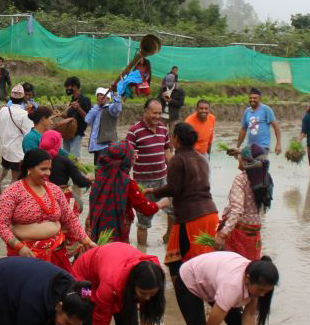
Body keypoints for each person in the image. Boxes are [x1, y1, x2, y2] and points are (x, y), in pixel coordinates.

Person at [176, 252, 280, 325]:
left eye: (266, 291)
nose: (262, 295)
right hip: (191, 279)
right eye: (260, 290)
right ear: (247, 279)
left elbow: (249, 316)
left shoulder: (256, 282)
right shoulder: (232, 287)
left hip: (215, 279)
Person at [0, 149, 95, 271]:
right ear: (29, 168)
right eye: (43, 169)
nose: (48, 173)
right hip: (26, 256)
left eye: (49, 169)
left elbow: (69, 218)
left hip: (56, 253)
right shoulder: (12, 193)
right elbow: (1, 225)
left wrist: (86, 240)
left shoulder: (55, 190)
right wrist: (19, 247)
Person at [151, 123, 219, 272]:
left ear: (176, 139)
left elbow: (173, 189)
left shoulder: (177, 159)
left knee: (182, 264)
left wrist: (153, 191)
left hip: (192, 217)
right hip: (211, 214)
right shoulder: (202, 158)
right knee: (204, 261)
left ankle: (183, 294)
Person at [86, 141, 160, 244]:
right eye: (132, 154)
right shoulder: (128, 183)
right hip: (119, 235)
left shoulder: (100, 179)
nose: (135, 156)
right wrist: (162, 204)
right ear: (126, 160)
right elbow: (145, 208)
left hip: (98, 232)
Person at [126, 98, 171, 246]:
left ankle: (168, 239)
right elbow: (127, 156)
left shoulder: (164, 129)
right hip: (143, 183)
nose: (157, 117)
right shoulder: (134, 131)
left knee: (174, 212)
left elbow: (167, 152)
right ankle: (142, 252)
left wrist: (175, 170)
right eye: (154, 113)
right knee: (144, 220)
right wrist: (132, 156)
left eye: (159, 113)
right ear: (146, 111)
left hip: (163, 180)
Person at [218, 148, 267, 260]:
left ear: (245, 161)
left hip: (240, 232)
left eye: (240, 157)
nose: (238, 158)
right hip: (255, 231)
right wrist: (240, 151)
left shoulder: (241, 180)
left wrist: (223, 234)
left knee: (234, 266)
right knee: (250, 266)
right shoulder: (264, 178)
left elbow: (237, 210)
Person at [0, 84, 32, 192]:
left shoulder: (3, 110)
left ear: (11, 98)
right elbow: (29, 134)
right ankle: (10, 197)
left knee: (4, 166)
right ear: (23, 98)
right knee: (15, 177)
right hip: (17, 151)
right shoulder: (25, 115)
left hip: (4, 147)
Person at [41, 130, 91, 198]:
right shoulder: (64, 161)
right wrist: (89, 180)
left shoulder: (33, 159)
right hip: (58, 197)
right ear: (57, 144)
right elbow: (80, 182)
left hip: (39, 196)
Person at [83, 86, 123, 165]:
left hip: (107, 147)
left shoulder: (111, 108)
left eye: (102, 95)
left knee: (105, 172)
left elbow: (118, 108)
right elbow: (87, 120)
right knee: (97, 171)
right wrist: (97, 106)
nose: (100, 97)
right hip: (96, 147)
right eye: (98, 95)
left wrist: (115, 94)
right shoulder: (96, 109)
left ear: (108, 98)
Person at [238, 88, 281, 158]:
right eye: (250, 98)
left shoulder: (266, 109)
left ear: (260, 98)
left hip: (263, 147)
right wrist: (238, 146)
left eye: (255, 98)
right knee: (247, 167)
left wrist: (278, 144)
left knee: (259, 166)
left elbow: (276, 126)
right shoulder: (247, 111)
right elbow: (243, 130)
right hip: (250, 147)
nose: (252, 100)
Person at [62, 77, 93, 159]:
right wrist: (61, 115)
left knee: (75, 158)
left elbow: (88, 118)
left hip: (77, 133)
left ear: (74, 87)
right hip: (67, 133)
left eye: (68, 87)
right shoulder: (73, 100)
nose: (67, 89)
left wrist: (78, 108)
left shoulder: (85, 100)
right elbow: (70, 117)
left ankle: (77, 171)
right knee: (65, 157)